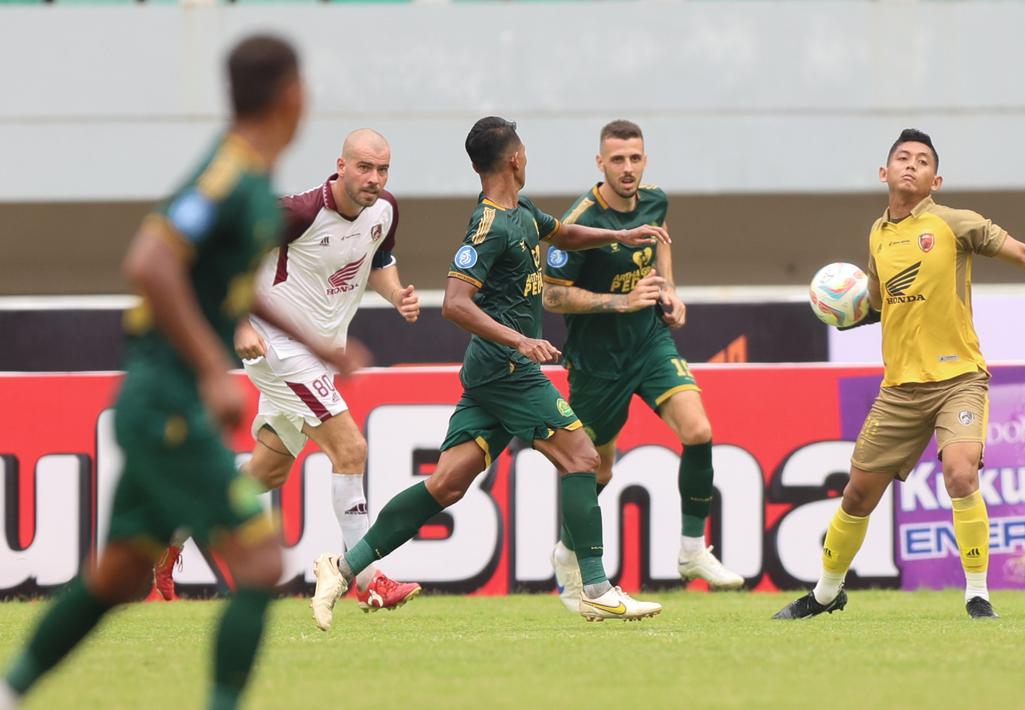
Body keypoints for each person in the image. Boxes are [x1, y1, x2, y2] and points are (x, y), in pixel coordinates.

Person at [0, 36, 364, 709]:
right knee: (260, 562)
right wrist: (209, 369)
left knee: (117, 576)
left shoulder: (252, 183)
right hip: (166, 399)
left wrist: (318, 341)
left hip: (162, 401)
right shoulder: (227, 178)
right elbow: (150, 262)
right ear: (291, 96)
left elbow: (227, 284)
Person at [309, 116, 671, 629]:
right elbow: (455, 304)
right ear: (515, 158)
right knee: (583, 458)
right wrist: (520, 339)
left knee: (447, 484)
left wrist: (621, 234)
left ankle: (341, 569)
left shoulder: (522, 211)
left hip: (492, 371)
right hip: (507, 368)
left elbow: (564, 233)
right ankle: (595, 588)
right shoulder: (489, 225)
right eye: (524, 150)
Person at [773, 129, 1025, 621]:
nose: (911, 165)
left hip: (959, 379)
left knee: (960, 473)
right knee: (857, 494)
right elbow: (877, 300)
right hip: (899, 389)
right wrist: (849, 313)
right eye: (903, 158)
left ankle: (977, 593)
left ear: (935, 180)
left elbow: (1023, 252)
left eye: (923, 161)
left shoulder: (955, 223)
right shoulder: (877, 234)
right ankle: (827, 593)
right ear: (884, 172)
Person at [152, 129, 422, 613]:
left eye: (382, 169)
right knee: (351, 448)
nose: (374, 178)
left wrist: (396, 294)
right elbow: (224, 260)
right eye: (364, 167)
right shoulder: (297, 213)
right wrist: (238, 323)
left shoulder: (385, 210)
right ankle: (368, 578)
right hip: (277, 348)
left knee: (269, 471)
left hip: (321, 355)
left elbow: (378, 260)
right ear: (340, 166)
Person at [541, 119, 742, 613]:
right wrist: (621, 302)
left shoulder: (655, 201)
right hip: (597, 362)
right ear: (600, 163)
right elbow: (552, 296)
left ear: (645, 159)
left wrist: (668, 290)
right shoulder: (579, 222)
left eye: (635, 158)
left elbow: (660, 241)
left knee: (698, 430)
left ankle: (692, 550)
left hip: (649, 342)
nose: (627, 168)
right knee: (598, 468)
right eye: (617, 160)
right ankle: (567, 552)